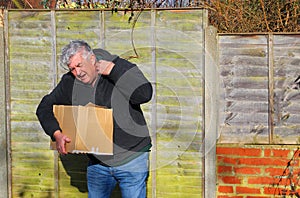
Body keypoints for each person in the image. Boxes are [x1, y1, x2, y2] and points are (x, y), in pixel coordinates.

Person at [36, 40, 153, 198]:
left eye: (80, 65)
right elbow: (44, 107)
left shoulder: (118, 67)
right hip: (98, 163)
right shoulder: (70, 83)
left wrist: (113, 70)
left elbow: (144, 94)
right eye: (72, 69)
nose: (78, 72)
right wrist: (56, 133)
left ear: (91, 59)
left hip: (132, 159)